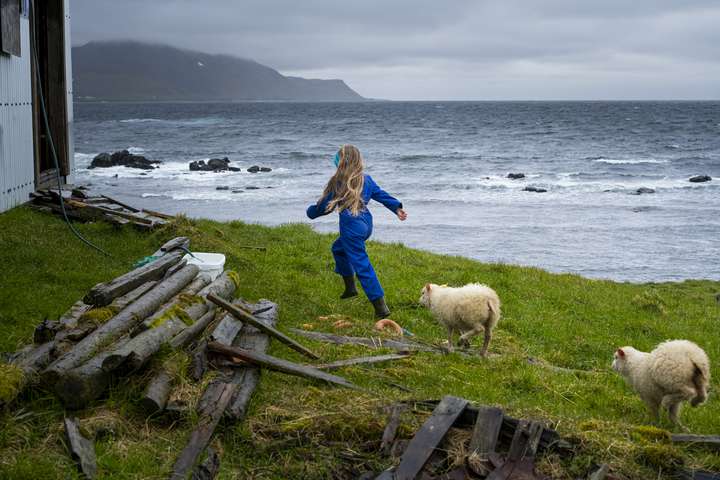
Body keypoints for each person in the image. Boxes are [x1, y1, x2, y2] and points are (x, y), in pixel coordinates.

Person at [306, 145, 407, 318]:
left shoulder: (338, 183)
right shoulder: (365, 179)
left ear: (341, 162)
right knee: (338, 249)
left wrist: (311, 212)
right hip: (366, 224)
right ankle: (350, 288)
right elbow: (381, 194)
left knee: (362, 265)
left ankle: (380, 306)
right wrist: (397, 208)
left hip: (351, 227)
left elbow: (323, 208)